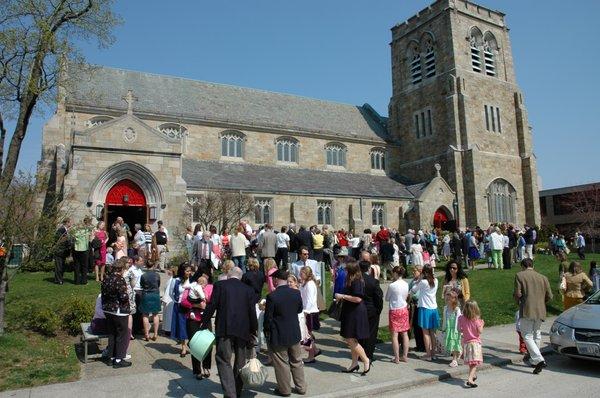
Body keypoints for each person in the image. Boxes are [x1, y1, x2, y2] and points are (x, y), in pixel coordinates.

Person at [200, 267, 258, 398]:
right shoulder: (248, 290)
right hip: (243, 330)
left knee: (223, 359)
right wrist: (253, 329)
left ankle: (230, 393)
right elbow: (252, 312)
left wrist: (204, 322)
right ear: (241, 277)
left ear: (228, 275)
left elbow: (212, 304)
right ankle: (236, 390)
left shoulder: (220, 285)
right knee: (240, 361)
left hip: (225, 328)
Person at [264, 269, 307, 396]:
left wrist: (266, 332)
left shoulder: (272, 296)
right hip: (294, 332)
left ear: (276, 279)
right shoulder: (295, 293)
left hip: (278, 334)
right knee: (297, 361)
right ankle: (301, 387)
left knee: (282, 363)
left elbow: (268, 319)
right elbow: (299, 310)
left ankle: (285, 390)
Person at [514, 258, 552, 374]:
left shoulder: (519, 275)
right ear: (532, 265)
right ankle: (534, 360)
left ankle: (539, 359)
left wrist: (517, 300)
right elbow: (550, 295)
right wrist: (541, 302)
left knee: (527, 335)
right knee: (537, 334)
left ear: (523, 266)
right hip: (541, 310)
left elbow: (518, 293)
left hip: (527, 309)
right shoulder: (543, 277)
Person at [335, 262, 371, 375]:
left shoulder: (357, 281)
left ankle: (366, 359)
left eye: (347, 270)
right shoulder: (353, 279)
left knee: (350, 338)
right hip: (350, 311)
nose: (345, 271)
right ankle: (354, 363)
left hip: (355, 312)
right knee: (352, 339)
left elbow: (358, 299)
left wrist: (342, 296)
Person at [101, 258, 132, 368]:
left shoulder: (106, 278)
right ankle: (119, 359)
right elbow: (123, 296)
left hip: (107, 309)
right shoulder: (119, 279)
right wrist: (127, 299)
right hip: (118, 310)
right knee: (121, 335)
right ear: (121, 269)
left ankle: (111, 357)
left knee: (112, 334)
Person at [182, 275, 213, 379]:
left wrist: (206, 305)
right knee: (195, 344)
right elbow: (183, 302)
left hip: (205, 318)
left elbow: (213, 302)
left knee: (207, 343)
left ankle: (206, 366)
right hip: (193, 319)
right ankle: (197, 370)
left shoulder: (210, 287)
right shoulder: (192, 286)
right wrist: (197, 306)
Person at [410, 264, 439, 361]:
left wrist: (419, 279)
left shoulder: (423, 282)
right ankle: (433, 353)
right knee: (432, 332)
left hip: (424, 308)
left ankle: (428, 354)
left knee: (425, 333)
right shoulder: (436, 280)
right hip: (433, 308)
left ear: (424, 272)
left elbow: (413, 290)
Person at [358, 260, 383, 362]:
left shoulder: (356, 280)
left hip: (359, 310)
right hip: (371, 310)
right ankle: (368, 355)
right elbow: (378, 297)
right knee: (371, 333)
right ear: (369, 269)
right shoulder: (373, 281)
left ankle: (360, 354)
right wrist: (378, 310)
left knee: (360, 332)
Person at [385, 266, 410, 363]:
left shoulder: (392, 285)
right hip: (403, 309)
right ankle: (405, 356)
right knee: (404, 333)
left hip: (394, 310)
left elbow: (387, 298)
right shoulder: (406, 284)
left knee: (394, 335)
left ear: (395, 273)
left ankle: (397, 357)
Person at [457, 300, 484, 388]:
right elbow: (480, 332)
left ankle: (473, 375)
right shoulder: (476, 320)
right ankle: (470, 379)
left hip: (466, 343)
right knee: (475, 363)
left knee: (471, 361)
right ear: (476, 309)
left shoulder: (461, 318)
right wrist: (482, 324)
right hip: (475, 343)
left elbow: (459, 329)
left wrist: (465, 330)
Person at [299, 266, 321, 364]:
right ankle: (315, 351)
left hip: (310, 312)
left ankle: (311, 356)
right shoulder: (305, 283)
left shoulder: (310, 284)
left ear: (307, 274)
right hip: (307, 311)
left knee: (308, 335)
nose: (300, 275)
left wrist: (305, 312)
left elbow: (310, 300)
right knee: (309, 334)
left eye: (302, 273)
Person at [171, 263, 192, 357]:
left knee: (191, 326)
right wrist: (177, 300)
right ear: (182, 271)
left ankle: (191, 344)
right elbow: (171, 292)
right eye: (187, 271)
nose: (189, 272)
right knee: (182, 327)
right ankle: (183, 348)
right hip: (180, 306)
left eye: (190, 270)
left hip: (191, 306)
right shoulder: (176, 280)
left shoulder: (192, 280)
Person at [140, 260, 161, 341]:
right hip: (155, 294)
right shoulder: (157, 275)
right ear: (153, 266)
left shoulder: (143, 275)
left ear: (146, 265)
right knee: (155, 314)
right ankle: (155, 333)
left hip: (146, 294)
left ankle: (146, 334)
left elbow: (141, 285)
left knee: (145, 315)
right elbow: (158, 284)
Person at [442, 289, 462, 368]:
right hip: (448, 328)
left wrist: (459, 329)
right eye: (447, 298)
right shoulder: (445, 308)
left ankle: (454, 360)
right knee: (450, 343)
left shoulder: (457, 309)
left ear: (454, 299)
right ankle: (456, 356)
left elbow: (459, 320)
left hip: (455, 329)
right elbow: (444, 319)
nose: (447, 300)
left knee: (455, 344)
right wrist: (444, 328)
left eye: (449, 299)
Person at [408, 265, 426, 352]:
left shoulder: (421, 282)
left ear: (420, 272)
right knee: (415, 326)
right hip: (413, 306)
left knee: (419, 326)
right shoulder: (413, 281)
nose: (413, 272)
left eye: (415, 271)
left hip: (419, 305)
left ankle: (422, 345)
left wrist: (410, 295)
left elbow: (416, 295)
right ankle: (419, 345)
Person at [72, 216, 94, 285]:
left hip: (76, 249)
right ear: (87, 223)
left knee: (77, 265)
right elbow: (91, 238)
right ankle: (84, 281)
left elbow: (73, 236)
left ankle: (77, 281)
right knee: (84, 266)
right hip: (84, 249)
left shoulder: (76, 229)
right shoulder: (87, 230)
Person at [53, 218, 72, 285]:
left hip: (63, 251)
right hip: (59, 251)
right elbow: (57, 240)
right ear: (67, 222)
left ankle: (60, 278)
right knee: (59, 266)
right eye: (70, 222)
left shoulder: (66, 230)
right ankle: (58, 280)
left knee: (62, 266)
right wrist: (66, 238)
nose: (71, 224)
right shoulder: (61, 230)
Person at [161, 265, 177, 336]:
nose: (168, 271)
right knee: (169, 316)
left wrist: (164, 299)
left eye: (169, 270)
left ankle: (168, 330)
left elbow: (168, 291)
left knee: (168, 316)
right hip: (170, 300)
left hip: (169, 300)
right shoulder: (172, 279)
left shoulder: (172, 280)